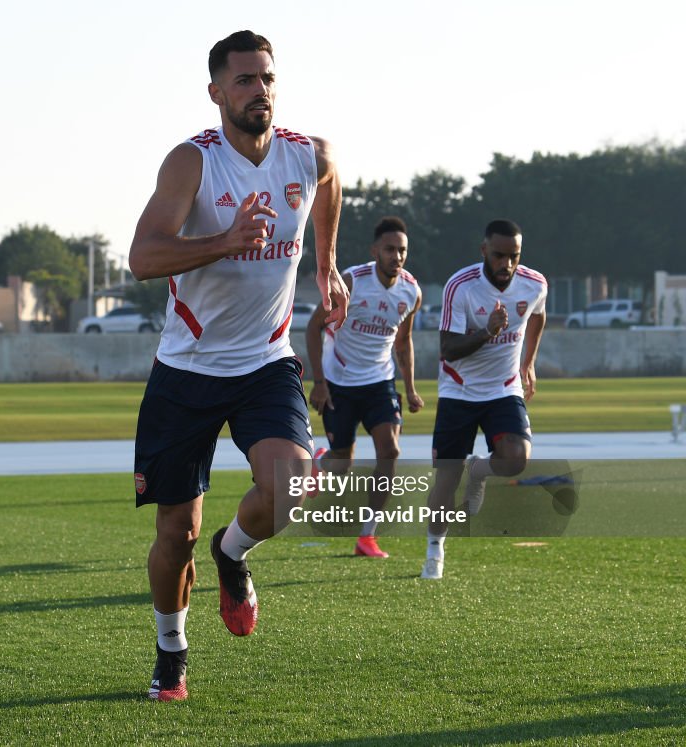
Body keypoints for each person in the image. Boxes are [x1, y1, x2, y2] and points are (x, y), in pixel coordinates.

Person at [129, 30, 349, 701]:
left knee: (292, 485)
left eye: (269, 78)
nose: (262, 91)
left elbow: (330, 180)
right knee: (176, 532)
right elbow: (142, 258)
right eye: (246, 80)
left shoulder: (305, 156)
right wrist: (224, 240)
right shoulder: (191, 163)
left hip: (265, 361)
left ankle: (232, 553)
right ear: (217, 91)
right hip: (187, 369)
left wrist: (326, 260)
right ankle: (172, 651)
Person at [420, 219, 547, 580]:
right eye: (498, 255)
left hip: (503, 388)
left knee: (516, 459)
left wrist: (529, 364)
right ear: (483, 251)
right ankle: (434, 549)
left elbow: (538, 316)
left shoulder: (534, 283)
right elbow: (447, 350)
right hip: (458, 389)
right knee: (445, 477)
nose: (506, 264)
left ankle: (479, 470)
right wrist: (488, 331)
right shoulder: (460, 286)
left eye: (514, 256)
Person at [306, 216, 423, 558]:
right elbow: (315, 328)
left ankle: (367, 536)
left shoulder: (411, 291)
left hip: (379, 383)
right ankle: (321, 462)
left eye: (402, 250)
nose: (396, 256)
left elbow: (404, 341)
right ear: (375, 251)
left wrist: (411, 388)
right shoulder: (351, 281)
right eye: (390, 249)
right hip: (339, 383)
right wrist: (319, 382)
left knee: (390, 452)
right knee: (342, 464)